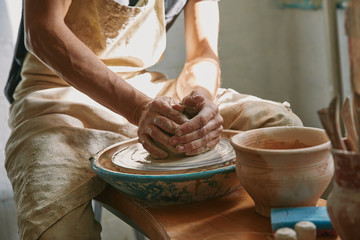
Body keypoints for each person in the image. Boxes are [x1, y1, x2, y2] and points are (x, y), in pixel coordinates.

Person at [4, 0, 302, 239]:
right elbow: (42, 31)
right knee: (56, 227)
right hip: (56, 94)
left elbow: (202, 54)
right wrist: (137, 109)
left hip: (142, 86)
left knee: (281, 129)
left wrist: (202, 102)